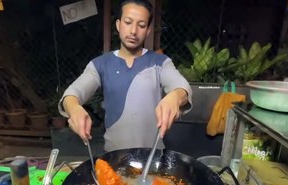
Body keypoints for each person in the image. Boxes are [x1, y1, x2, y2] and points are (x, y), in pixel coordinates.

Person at [59, 0, 192, 152]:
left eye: (141, 25)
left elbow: (182, 87)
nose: (133, 31)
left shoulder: (160, 62)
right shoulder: (100, 64)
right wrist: (74, 108)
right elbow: (73, 93)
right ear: (118, 25)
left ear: (148, 30)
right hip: (114, 157)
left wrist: (175, 97)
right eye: (128, 22)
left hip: (153, 158)